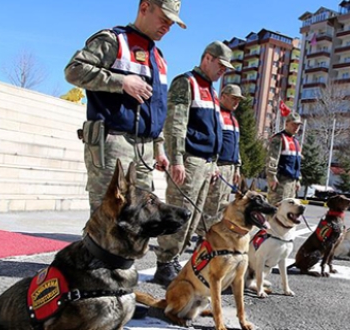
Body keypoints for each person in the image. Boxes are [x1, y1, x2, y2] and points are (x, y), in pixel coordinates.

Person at [64, 0, 186, 213]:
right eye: (164, 19)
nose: (167, 27)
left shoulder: (158, 57)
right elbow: (74, 70)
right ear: (145, 7)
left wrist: (159, 148)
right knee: (109, 218)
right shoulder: (114, 40)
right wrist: (121, 82)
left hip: (145, 150)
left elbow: (155, 107)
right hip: (114, 143)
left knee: (141, 219)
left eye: (172, 24)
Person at [153, 41, 234, 285]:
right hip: (189, 161)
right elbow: (175, 124)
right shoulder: (186, 83)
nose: (223, 71)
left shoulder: (211, 90)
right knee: (178, 213)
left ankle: (175, 259)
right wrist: (176, 159)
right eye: (220, 65)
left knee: (194, 217)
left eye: (226, 68)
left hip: (207, 164)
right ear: (207, 58)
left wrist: (215, 163)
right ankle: (164, 263)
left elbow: (214, 131)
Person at [194, 84, 245, 240]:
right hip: (218, 166)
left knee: (222, 205)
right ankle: (202, 237)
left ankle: (211, 235)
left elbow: (235, 146)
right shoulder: (216, 114)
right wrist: (213, 164)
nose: (236, 102)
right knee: (212, 204)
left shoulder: (233, 118)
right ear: (223, 96)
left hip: (230, 168)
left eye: (238, 99)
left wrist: (237, 168)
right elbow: (211, 142)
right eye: (233, 98)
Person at [266, 112, 303, 205]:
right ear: (286, 124)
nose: (296, 127)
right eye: (293, 124)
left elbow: (297, 164)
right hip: (281, 182)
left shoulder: (296, 142)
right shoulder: (279, 139)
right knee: (276, 211)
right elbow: (272, 159)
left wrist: (297, 180)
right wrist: (271, 177)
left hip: (292, 183)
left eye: (298, 125)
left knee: (288, 213)